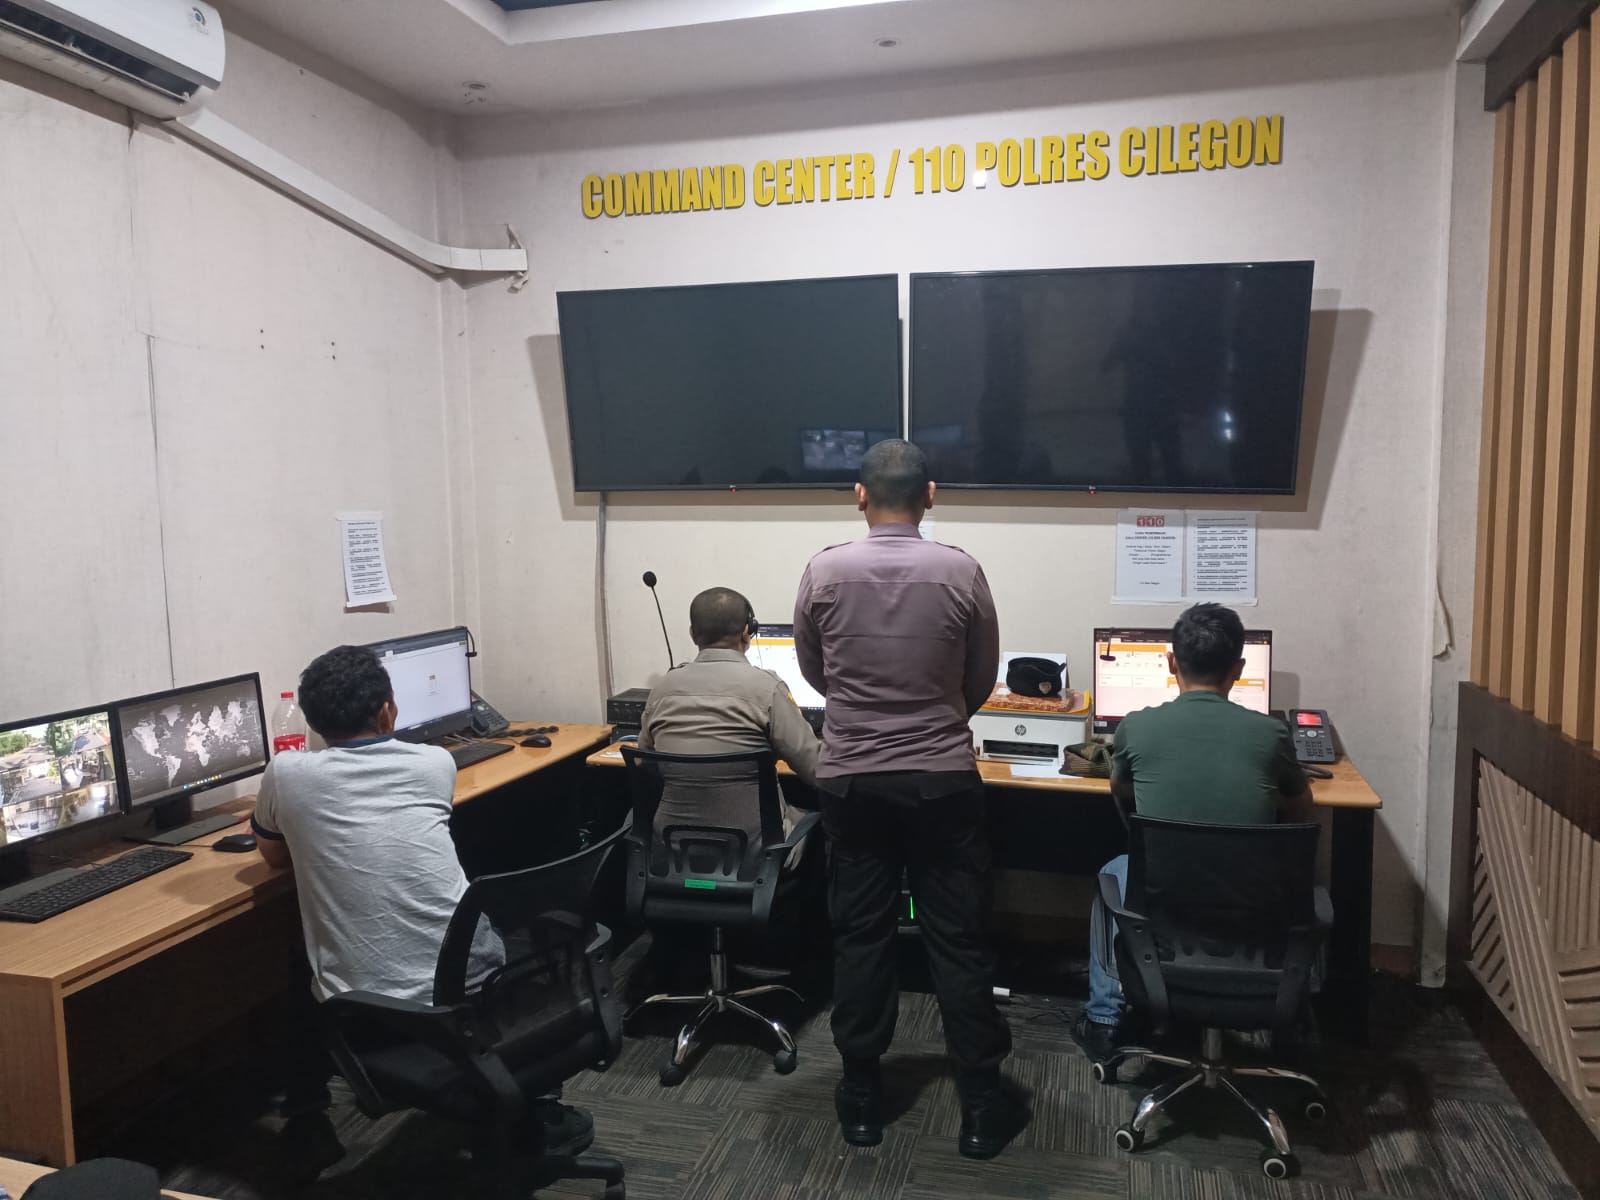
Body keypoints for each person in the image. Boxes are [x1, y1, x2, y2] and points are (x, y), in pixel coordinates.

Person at [251, 644, 593, 1170]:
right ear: (388, 710)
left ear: (314, 724)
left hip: (373, 1009)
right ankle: (538, 1103)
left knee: (302, 958)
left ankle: (307, 1123)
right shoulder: (434, 763)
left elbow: (273, 854)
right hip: (477, 989)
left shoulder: (285, 775)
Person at [793, 438, 1026, 1159]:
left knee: (861, 935)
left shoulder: (823, 570)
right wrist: (935, 717)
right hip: (942, 777)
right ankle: (980, 1104)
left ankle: (862, 1096)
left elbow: (815, 672)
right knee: (959, 937)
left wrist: (864, 712)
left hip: (852, 779)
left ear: (859, 496)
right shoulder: (962, 570)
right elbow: (981, 675)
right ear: (930, 495)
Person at [1074, 602, 1313, 1060]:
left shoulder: (1136, 726)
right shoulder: (1271, 735)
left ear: (1170, 662)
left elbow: (1120, 790)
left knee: (1115, 871)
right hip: (1250, 904)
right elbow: (1303, 813)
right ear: (1239, 669)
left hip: (1166, 900)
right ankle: (1294, 1022)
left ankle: (1104, 1019)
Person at [633, 586, 826, 992]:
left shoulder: (663, 689)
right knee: (819, 823)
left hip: (673, 852)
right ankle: (806, 970)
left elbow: (646, 763)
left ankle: (685, 959)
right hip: (753, 856)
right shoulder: (765, 688)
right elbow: (816, 771)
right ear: (747, 632)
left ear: (692, 634)